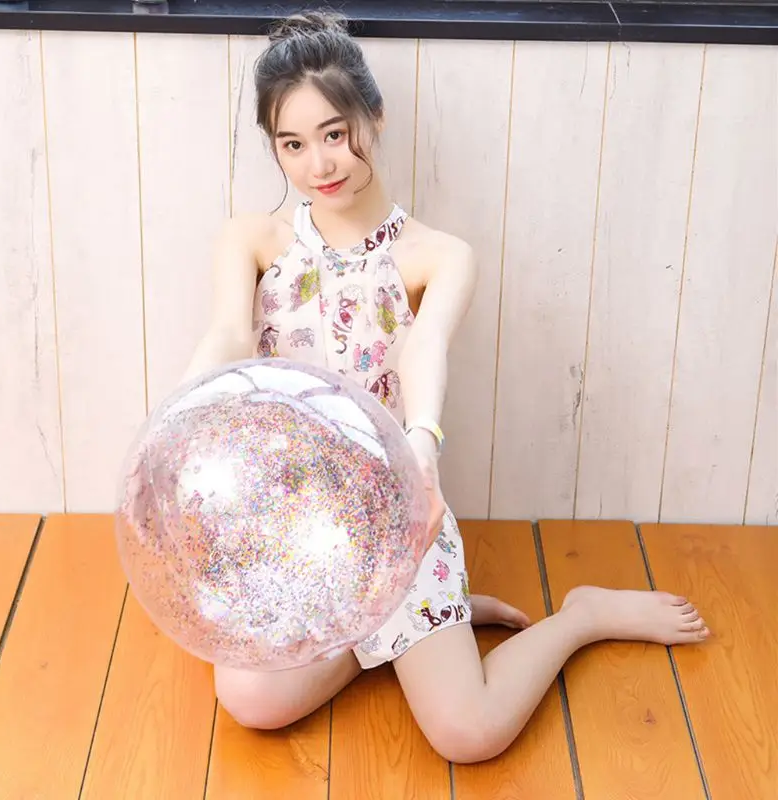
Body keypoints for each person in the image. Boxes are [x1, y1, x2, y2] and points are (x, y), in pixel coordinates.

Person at [180, 10, 710, 765]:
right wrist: (179, 412)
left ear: (374, 118)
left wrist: (422, 445)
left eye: (335, 134)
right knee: (251, 701)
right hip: (295, 522)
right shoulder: (251, 238)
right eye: (292, 144)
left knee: (470, 734)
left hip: (399, 514)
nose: (319, 164)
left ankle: (579, 617)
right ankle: (419, 628)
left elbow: (422, 349)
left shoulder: (438, 254)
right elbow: (230, 335)